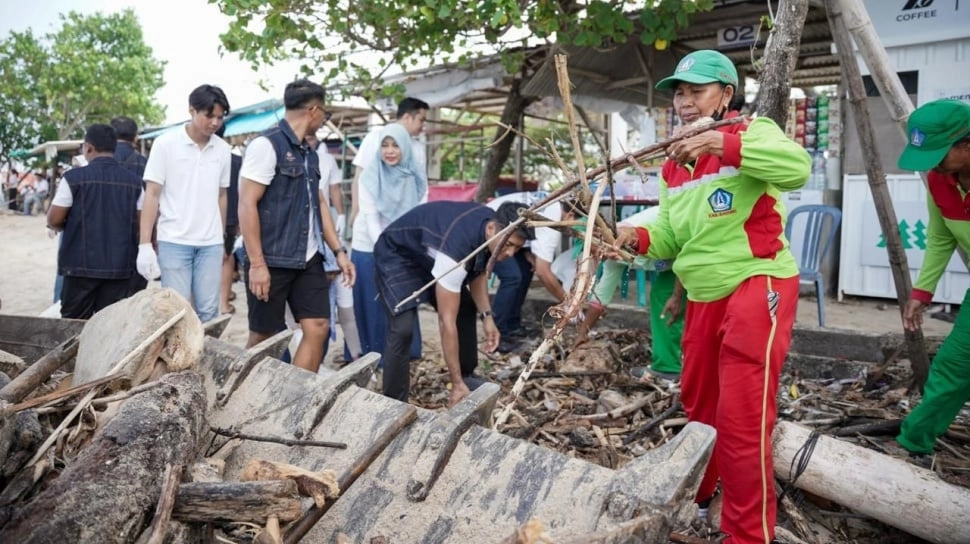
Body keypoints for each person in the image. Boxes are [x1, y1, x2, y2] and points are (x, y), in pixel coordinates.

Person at [613, 50, 810, 544]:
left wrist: (722, 143)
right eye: (679, 92)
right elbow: (671, 234)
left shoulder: (753, 131)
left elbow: (796, 168)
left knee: (742, 418)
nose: (684, 101)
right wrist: (632, 238)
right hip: (703, 293)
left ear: (725, 95)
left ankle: (748, 534)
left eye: (696, 91)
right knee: (699, 404)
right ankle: (703, 497)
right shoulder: (673, 167)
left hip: (757, 282)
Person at [237, 79, 354, 373]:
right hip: (272, 258)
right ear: (313, 110)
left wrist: (339, 252)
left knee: (318, 326)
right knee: (264, 338)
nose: (323, 119)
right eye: (324, 113)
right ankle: (240, 391)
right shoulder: (266, 146)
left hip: (308, 257)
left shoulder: (309, 154)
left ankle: (295, 394)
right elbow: (246, 204)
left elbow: (320, 204)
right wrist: (257, 264)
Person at [376, 201, 533, 406]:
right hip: (397, 253)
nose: (511, 253)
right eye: (508, 244)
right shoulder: (457, 251)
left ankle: (466, 374)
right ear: (491, 228)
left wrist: (487, 317)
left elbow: (478, 271)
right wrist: (454, 382)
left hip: (429, 255)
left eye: (517, 248)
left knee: (466, 307)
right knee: (403, 328)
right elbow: (446, 322)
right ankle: (394, 401)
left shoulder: (491, 233)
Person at [896, 99, 970, 462]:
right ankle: (912, 446)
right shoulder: (939, 181)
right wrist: (921, 292)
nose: (933, 164)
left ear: (966, 144)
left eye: (939, 153)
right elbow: (941, 238)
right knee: (953, 366)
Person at [137, 85, 232, 324]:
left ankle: (203, 350)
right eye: (209, 115)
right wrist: (145, 244)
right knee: (177, 313)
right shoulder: (165, 144)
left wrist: (220, 237)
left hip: (210, 243)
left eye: (220, 117)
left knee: (208, 312)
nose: (215, 122)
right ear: (192, 110)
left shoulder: (223, 150)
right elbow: (152, 194)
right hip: (174, 241)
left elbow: (222, 195)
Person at [578, 206, 687, 381]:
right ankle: (682, 360)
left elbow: (685, 245)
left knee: (667, 300)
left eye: (598, 251)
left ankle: (668, 368)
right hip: (672, 265)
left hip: (689, 254)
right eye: (595, 254)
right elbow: (600, 298)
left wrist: (676, 295)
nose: (600, 256)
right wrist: (583, 333)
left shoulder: (642, 226)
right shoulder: (612, 258)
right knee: (663, 298)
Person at [46, 124, 143, 319]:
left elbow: (53, 219)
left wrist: (70, 226)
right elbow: (142, 224)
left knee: (73, 326)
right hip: (120, 268)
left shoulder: (73, 179)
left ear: (88, 148)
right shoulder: (135, 182)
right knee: (111, 326)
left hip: (79, 268)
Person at [351, 123, 429, 366]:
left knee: (403, 300)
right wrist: (386, 252)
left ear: (405, 147)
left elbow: (419, 215)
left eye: (395, 145)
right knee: (374, 303)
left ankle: (406, 355)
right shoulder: (370, 176)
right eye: (385, 145)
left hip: (402, 246)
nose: (390, 151)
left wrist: (408, 250)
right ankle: (374, 359)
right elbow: (372, 220)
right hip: (370, 245)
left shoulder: (416, 175)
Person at [485, 191, 573, 350]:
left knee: (525, 270)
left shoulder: (553, 205)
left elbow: (526, 235)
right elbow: (543, 272)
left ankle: (512, 326)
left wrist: (527, 252)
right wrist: (569, 304)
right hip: (495, 231)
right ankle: (498, 333)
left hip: (512, 234)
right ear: (571, 216)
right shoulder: (552, 218)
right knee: (512, 277)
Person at [216, 123, 242, 315]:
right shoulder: (236, 160)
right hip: (231, 215)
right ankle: (224, 303)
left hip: (203, 217)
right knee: (226, 258)